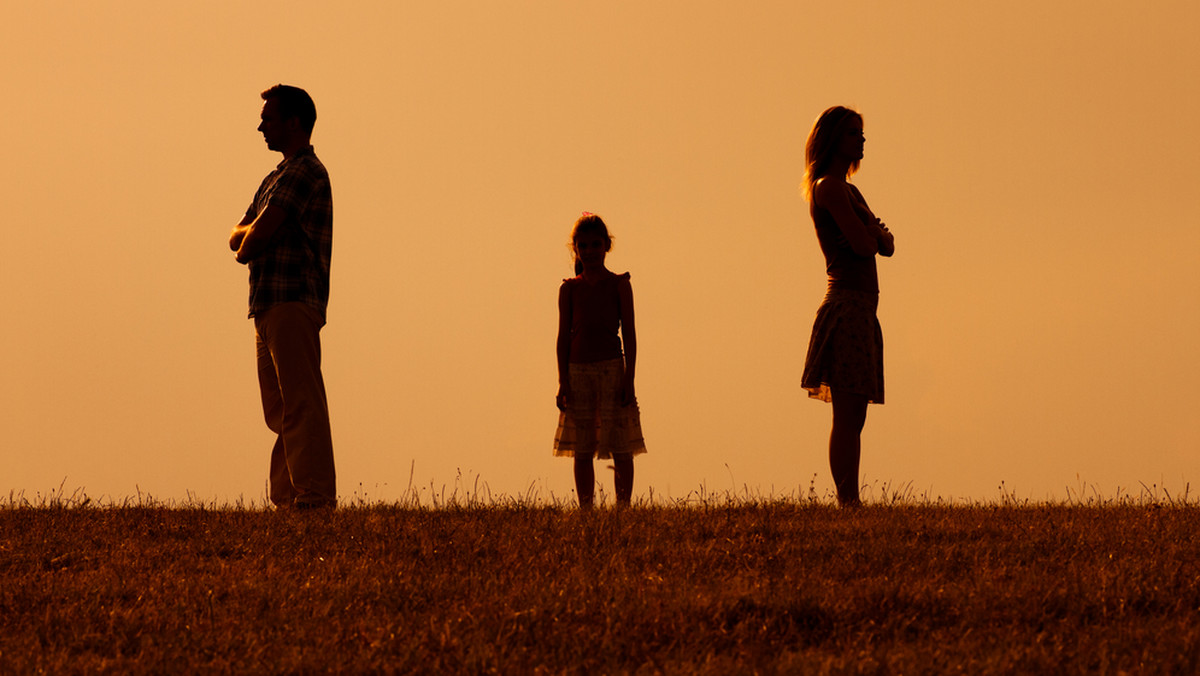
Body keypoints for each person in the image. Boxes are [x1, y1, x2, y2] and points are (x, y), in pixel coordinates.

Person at [228, 84, 336, 509]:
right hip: (269, 303)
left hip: (292, 300)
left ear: (294, 122)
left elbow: (250, 240)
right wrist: (249, 234)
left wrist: (249, 235)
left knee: (300, 402)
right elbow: (240, 235)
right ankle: (290, 500)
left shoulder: (303, 172)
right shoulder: (276, 177)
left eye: (269, 118)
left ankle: (313, 498)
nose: (261, 126)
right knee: (281, 409)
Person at [799, 106, 895, 508]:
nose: (861, 140)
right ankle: (847, 500)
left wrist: (873, 232)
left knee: (856, 413)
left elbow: (886, 245)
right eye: (854, 133)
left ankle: (849, 498)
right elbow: (865, 243)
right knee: (847, 413)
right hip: (846, 306)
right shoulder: (829, 188)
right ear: (834, 138)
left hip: (863, 308)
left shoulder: (850, 190)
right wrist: (872, 230)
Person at [553, 213, 647, 507]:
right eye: (584, 246)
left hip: (611, 369)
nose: (590, 251)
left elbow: (629, 335)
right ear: (576, 249)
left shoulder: (619, 285)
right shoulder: (569, 289)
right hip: (578, 370)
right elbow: (563, 337)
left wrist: (629, 378)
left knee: (620, 443)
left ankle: (623, 507)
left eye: (596, 244)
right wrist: (563, 381)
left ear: (607, 245)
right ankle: (586, 508)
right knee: (582, 446)